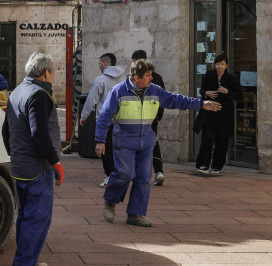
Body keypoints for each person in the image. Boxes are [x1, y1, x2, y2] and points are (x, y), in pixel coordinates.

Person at [95, 58, 221, 227]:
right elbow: (104, 117)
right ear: (136, 77)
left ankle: (135, 214)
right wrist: (100, 140)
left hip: (146, 141)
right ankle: (110, 200)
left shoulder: (155, 90)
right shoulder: (118, 91)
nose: (151, 78)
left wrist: (201, 103)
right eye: (148, 75)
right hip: (124, 140)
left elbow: (177, 100)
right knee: (124, 173)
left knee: (144, 177)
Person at [6, 52, 64, 266]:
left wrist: (15, 155)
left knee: (26, 217)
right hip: (37, 167)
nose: (53, 77)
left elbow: (6, 131)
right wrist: (55, 161)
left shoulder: (17, 91)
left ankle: (29, 260)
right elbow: (39, 134)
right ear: (45, 73)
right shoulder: (39, 94)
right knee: (38, 219)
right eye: (53, 72)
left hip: (20, 165)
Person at [194, 53, 244, 174]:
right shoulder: (209, 75)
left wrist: (228, 92)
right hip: (210, 112)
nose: (219, 66)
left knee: (222, 141)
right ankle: (203, 165)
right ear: (214, 65)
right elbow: (201, 89)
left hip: (224, 114)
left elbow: (240, 95)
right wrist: (207, 93)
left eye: (222, 64)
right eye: (217, 64)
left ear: (226, 65)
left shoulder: (231, 79)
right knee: (207, 138)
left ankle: (217, 166)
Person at [79, 53, 122, 187]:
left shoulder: (100, 80)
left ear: (105, 64)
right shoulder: (125, 79)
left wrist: (84, 116)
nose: (99, 66)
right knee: (119, 150)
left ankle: (110, 176)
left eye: (99, 63)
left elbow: (91, 100)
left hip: (105, 121)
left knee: (105, 150)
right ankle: (120, 175)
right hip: (122, 121)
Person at [131, 50, 167, 186]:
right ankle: (158, 171)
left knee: (138, 144)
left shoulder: (135, 78)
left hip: (139, 118)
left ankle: (139, 173)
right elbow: (163, 98)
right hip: (152, 117)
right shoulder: (157, 77)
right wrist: (158, 115)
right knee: (153, 142)